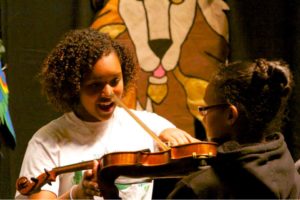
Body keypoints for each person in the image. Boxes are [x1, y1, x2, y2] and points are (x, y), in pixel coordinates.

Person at [15, 28, 198, 199]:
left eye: (115, 81)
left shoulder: (152, 126)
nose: (108, 93)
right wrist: (76, 195)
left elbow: (200, 161)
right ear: (73, 87)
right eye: (96, 85)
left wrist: (178, 139)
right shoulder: (46, 141)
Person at [167, 59, 300, 199]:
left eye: (206, 108)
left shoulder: (197, 189)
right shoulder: (290, 173)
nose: (203, 117)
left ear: (230, 115)